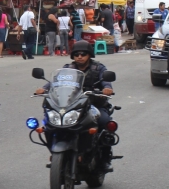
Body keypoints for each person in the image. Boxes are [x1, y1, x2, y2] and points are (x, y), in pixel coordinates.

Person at [35, 40, 115, 171]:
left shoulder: (98, 68)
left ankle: (105, 159)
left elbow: (106, 81)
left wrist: (106, 88)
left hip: (94, 104)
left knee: (104, 123)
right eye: (77, 54)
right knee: (49, 123)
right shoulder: (67, 69)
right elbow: (56, 81)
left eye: (83, 54)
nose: (80, 56)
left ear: (89, 55)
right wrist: (44, 88)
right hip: (72, 105)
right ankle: (55, 152)